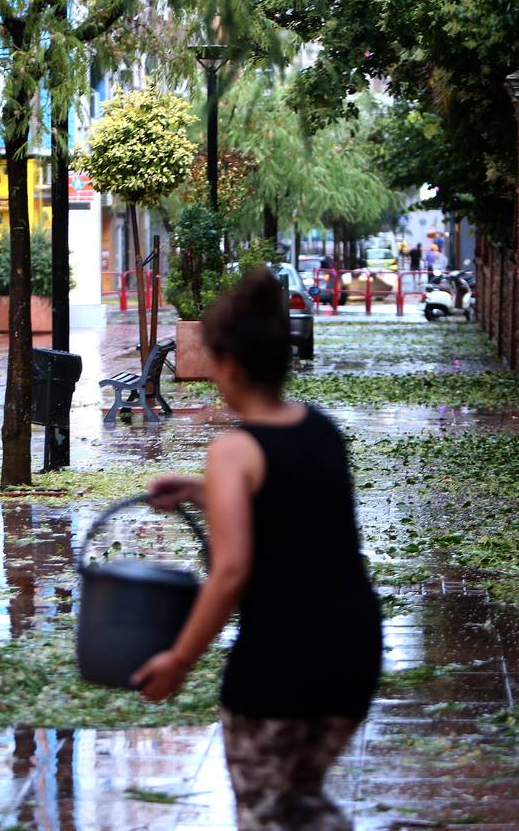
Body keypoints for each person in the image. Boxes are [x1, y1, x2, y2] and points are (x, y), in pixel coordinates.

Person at [134, 270, 382, 831]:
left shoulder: (234, 449)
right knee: (302, 802)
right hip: (353, 653)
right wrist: (202, 493)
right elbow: (293, 503)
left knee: (268, 815)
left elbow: (231, 572)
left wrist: (178, 660)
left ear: (232, 366)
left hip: (279, 663)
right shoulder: (322, 430)